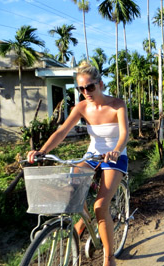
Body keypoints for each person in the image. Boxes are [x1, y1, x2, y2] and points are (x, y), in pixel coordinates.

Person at [27, 61, 128, 266]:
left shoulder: (117, 104)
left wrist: (116, 150)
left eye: (90, 86)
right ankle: (85, 221)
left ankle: (109, 257)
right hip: (92, 155)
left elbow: (125, 133)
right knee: (70, 189)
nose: (85, 92)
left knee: (101, 205)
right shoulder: (81, 107)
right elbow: (62, 131)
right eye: (81, 88)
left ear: (100, 84)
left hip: (114, 156)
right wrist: (42, 151)